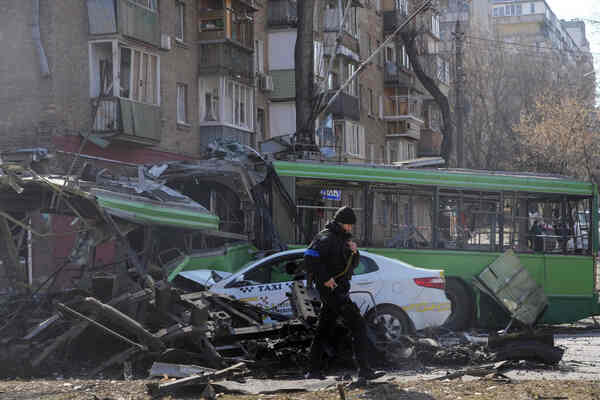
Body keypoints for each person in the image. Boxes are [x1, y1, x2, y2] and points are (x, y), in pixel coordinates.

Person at [303, 206, 384, 381]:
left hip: (339, 289)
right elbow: (309, 258)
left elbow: (352, 265)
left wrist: (355, 252)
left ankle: (313, 370)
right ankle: (364, 371)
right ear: (341, 223)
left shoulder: (343, 239)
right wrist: (325, 278)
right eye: (348, 225)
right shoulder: (325, 237)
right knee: (359, 326)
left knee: (323, 330)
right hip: (332, 291)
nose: (350, 228)